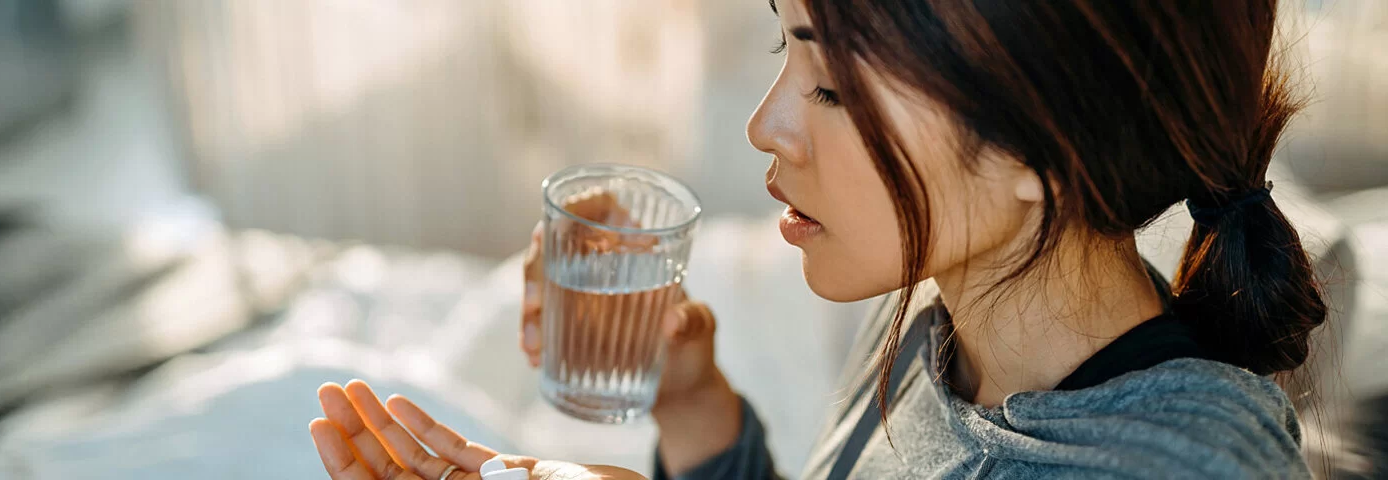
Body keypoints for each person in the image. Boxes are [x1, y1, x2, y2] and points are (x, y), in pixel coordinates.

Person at [308, 0, 1326, 478]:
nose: (765, 126)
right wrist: (695, 405)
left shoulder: (1177, 467)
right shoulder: (937, 320)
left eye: (831, 85)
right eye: (781, 50)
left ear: (1044, 148)